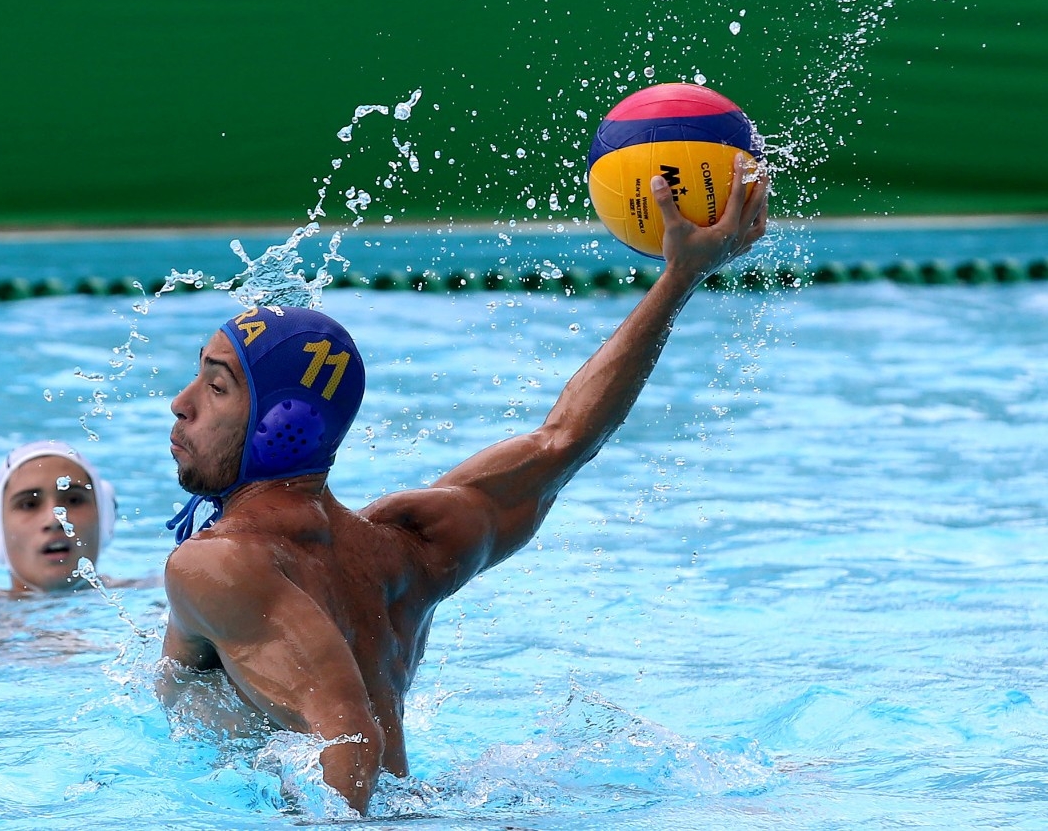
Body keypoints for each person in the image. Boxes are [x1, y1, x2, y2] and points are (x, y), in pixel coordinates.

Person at [155, 162, 769, 814]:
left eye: (217, 387)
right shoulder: (404, 550)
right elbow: (561, 444)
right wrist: (679, 279)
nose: (180, 404)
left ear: (285, 426)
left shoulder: (220, 565)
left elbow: (350, 734)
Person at [0, 440, 119, 596]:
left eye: (73, 500)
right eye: (29, 505)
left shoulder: (147, 600)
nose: (55, 520)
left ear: (106, 519)